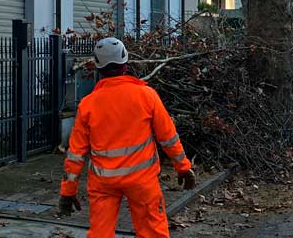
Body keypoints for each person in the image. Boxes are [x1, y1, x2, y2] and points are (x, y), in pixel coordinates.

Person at [59, 37, 196, 238]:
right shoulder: (146, 95)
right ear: (125, 63)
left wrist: (68, 190)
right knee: (152, 232)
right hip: (142, 181)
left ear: (98, 67)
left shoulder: (88, 104)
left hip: (103, 182)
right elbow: (168, 138)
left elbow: (76, 153)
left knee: (100, 233)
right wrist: (183, 167)